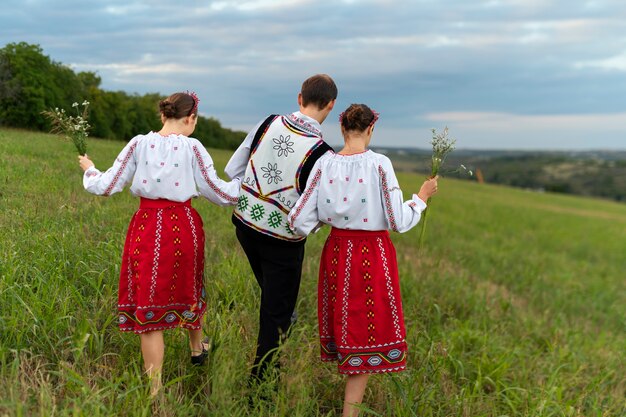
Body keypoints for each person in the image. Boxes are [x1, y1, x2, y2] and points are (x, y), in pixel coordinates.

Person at [78, 92, 241, 396]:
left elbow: (108, 185)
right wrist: (249, 183)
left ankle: (155, 393)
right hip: (183, 226)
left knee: (150, 304)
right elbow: (220, 192)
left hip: (147, 226)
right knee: (189, 288)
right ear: (190, 119)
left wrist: (89, 169)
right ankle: (197, 348)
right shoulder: (193, 147)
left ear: (163, 115)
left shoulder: (139, 143)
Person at [287, 104, 438, 417]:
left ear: (343, 129)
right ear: (371, 129)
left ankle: (349, 408)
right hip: (371, 253)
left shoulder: (324, 164)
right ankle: (349, 413)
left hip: (337, 251)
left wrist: (325, 221)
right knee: (365, 329)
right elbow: (397, 220)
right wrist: (420, 199)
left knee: (350, 324)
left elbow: (299, 219)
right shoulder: (379, 164)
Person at [224, 74, 337, 382]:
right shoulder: (323, 154)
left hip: (244, 226)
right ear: (330, 105)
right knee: (275, 315)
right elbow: (321, 210)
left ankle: (284, 315)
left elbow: (233, 168)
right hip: (282, 241)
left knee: (276, 302)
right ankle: (261, 389)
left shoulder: (267, 122)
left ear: (299, 98)